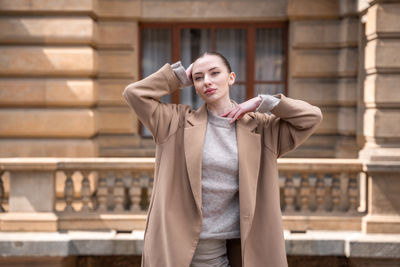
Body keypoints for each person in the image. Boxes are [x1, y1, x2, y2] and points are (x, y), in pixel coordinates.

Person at [122, 52, 322, 267]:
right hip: (178, 247)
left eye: (215, 73)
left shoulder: (262, 128)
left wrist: (264, 102)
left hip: (234, 248)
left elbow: (311, 118)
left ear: (231, 78)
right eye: (198, 77)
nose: (207, 81)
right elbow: (134, 94)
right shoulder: (174, 123)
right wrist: (178, 76)